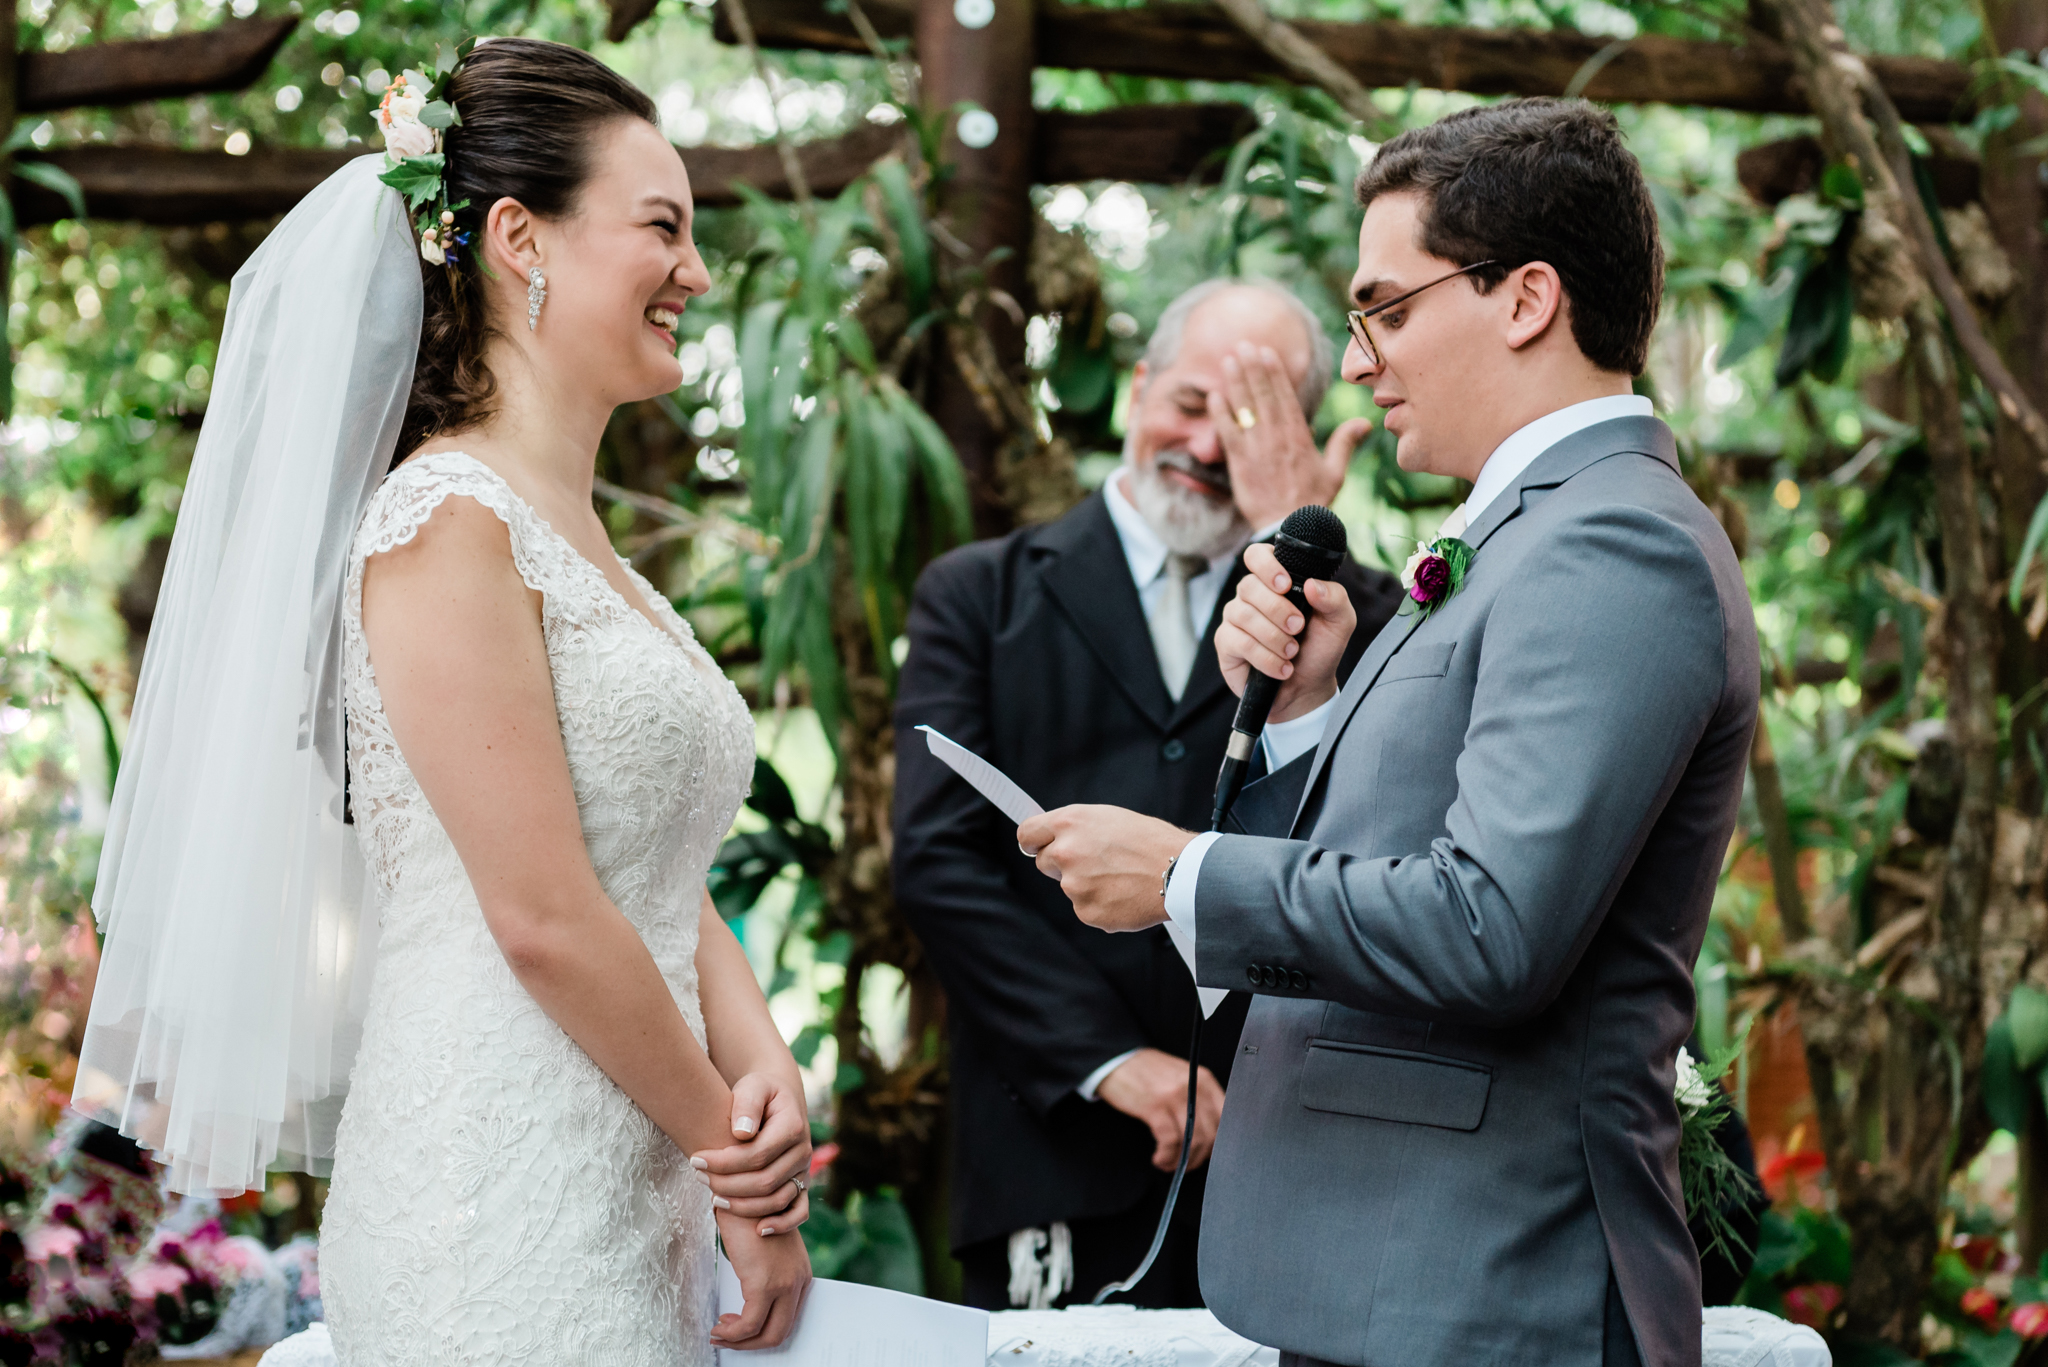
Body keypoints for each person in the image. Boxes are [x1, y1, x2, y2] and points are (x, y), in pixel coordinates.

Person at [76, 38, 810, 1363]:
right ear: (522, 238)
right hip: (494, 1212)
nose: (697, 273)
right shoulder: (444, 525)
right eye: (663, 228)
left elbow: (652, 864)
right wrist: (734, 1166)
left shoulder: (590, 545)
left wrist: (761, 1062)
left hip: (629, 1193)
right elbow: (541, 915)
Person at [1018, 98, 1758, 1367]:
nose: (1358, 363)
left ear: (1524, 299)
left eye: (1386, 310)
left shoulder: (1612, 540)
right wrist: (1308, 709)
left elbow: (1490, 926)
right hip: (1395, 1282)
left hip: (1485, 1290)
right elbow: (1403, 838)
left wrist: (1182, 875)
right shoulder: (1519, 529)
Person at [893, 279, 1404, 1311]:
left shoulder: (1368, 616)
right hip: (1051, 1152)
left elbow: (1376, 843)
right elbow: (939, 861)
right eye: (1190, 402)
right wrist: (1107, 1058)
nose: (1207, 445)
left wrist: (1293, 536)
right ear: (1135, 389)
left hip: (1289, 1168)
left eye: (1249, 420)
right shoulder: (977, 593)